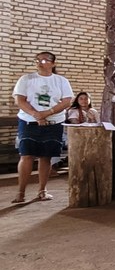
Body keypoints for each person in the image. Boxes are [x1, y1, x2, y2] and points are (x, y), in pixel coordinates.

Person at [12, 51, 74, 203]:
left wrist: (47, 113)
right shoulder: (26, 79)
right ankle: (21, 192)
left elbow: (67, 101)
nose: (41, 63)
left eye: (45, 60)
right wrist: (36, 114)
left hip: (53, 123)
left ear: (53, 63)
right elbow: (19, 100)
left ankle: (42, 190)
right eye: (38, 60)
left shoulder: (61, 80)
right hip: (29, 122)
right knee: (26, 155)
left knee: (45, 157)